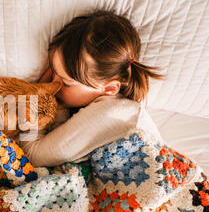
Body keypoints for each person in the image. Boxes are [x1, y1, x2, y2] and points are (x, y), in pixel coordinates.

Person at [20, 10, 164, 167]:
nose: (52, 84)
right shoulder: (115, 107)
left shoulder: (112, 114)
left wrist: (34, 98)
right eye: (53, 71)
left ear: (109, 88)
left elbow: (33, 155)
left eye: (66, 82)